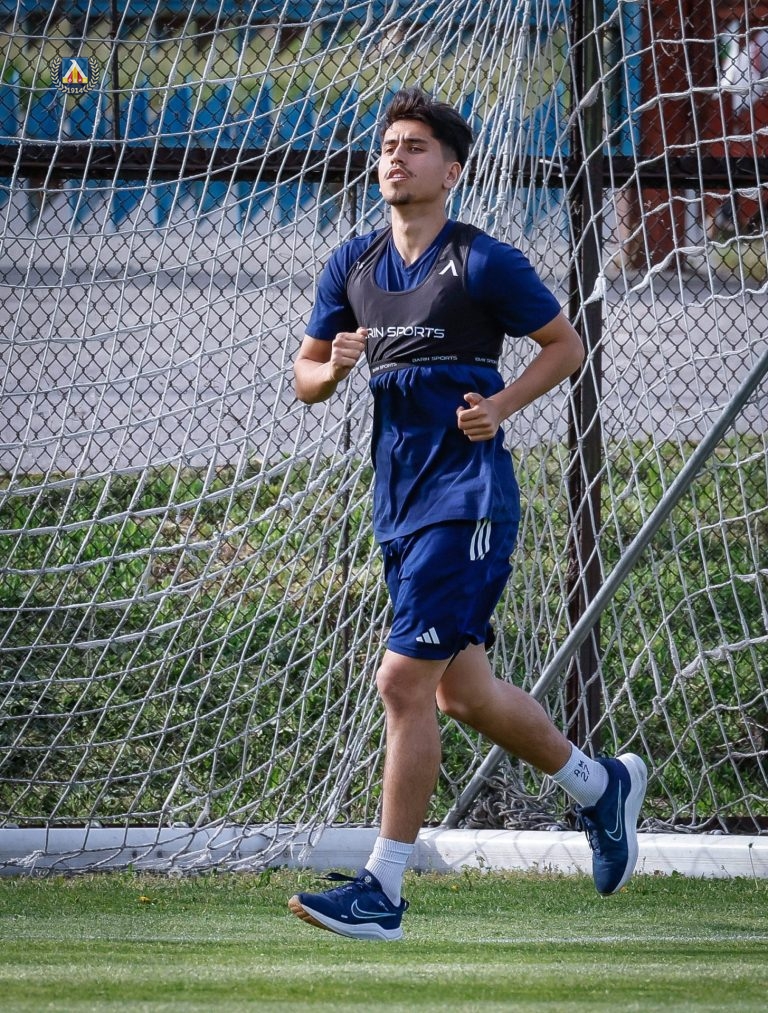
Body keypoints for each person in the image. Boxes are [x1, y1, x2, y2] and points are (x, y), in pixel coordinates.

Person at [289, 87, 647, 941]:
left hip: (468, 501)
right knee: (463, 694)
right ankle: (602, 786)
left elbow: (565, 346)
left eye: (415, 147)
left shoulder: (483, 261)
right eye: (388, 146)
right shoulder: (353, 265)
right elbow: (304, 376)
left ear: (451, 171)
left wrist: (501, 405)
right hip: (399, 504)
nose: (396, 158)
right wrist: (333, 370)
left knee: (401, 682)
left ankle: (382, 890)